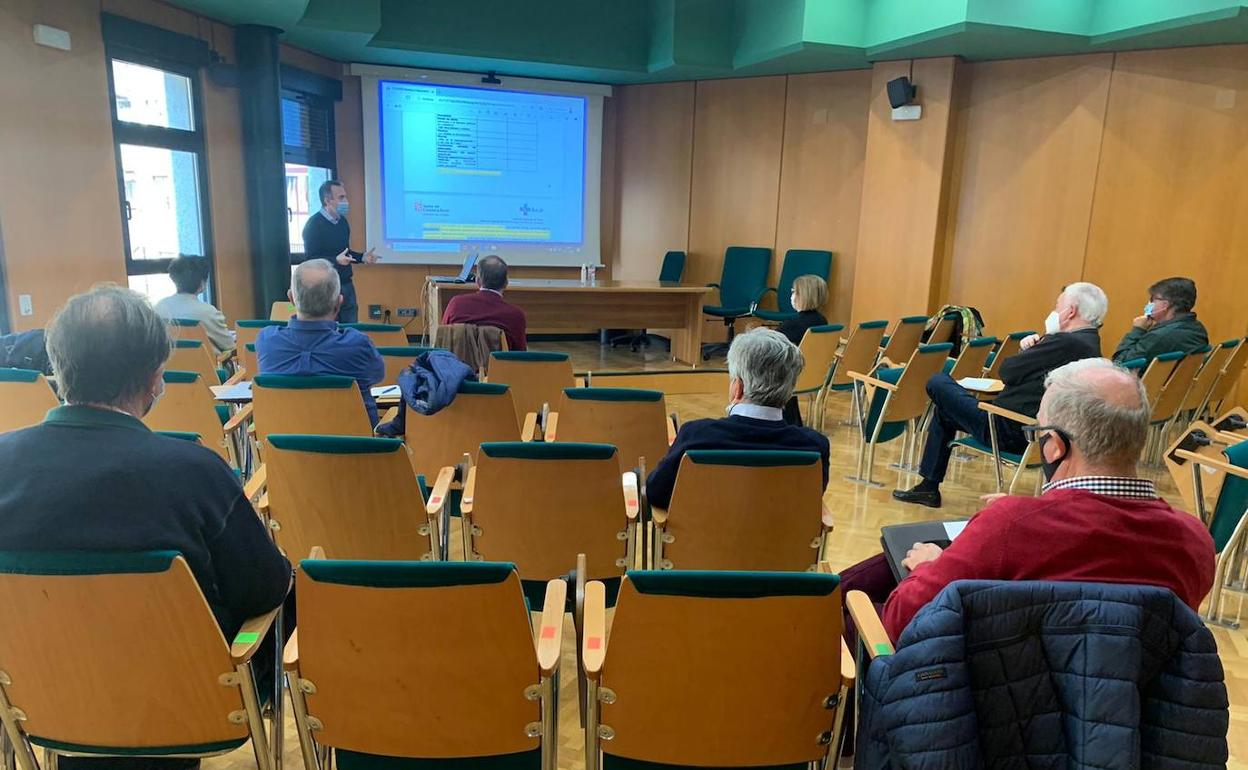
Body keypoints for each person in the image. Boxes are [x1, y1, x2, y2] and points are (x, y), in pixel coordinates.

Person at [0, 286, 292, 687]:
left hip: (40, 694)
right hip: (189, 694)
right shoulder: (197, 472)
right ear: (155, 378)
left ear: (58, 365)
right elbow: (265, 589)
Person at [842, 358, 1215, 641]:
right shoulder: (1194, 540)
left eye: (1037, 430)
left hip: (996, 701)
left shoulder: (1011, 526)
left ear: (1054, 446)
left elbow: (901, 621)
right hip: (1134, 710)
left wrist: (927, 567)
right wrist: (1021, 514)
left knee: (844, 605)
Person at [893, 282, 1107, 508]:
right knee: (945, 410)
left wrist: (1029, 349)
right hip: (1035, 433)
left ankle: (928, 487)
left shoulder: (1065, 342)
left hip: (1006, 429)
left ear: (1070, 311)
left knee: (937, 381)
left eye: (1057, 306)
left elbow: (1007, 371)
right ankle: (928, 487)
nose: (1054, 311)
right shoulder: (1091, 343)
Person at [646, 328, 830, 510]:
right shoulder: (814, 446)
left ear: (737, 388)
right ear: (789, 391)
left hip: (711, 529)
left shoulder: (696, 436)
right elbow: (808, 503)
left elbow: (656, 493)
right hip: (779, 530)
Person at [256, 259, 386, 426]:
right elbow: (377, 375)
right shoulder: (358, 344)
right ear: (339, 301)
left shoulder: (267, 340)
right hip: (355, 442)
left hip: (284, 441)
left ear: (291, 298)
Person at [296, 180, 380, 324]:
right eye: (341, 197)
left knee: (350, 328)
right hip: (326, 287)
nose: (346, 201)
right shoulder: (313, 225)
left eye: (345, 197)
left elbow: (345, 253)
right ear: (327, 200)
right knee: (328, 328)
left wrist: (362, 257)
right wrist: (335, 260)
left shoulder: (342, 223)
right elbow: (311, 260)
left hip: (346, 284)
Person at [1112, 276, 1209, 364]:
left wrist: (1138, 330)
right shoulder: (1197, 328)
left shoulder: (1159, 336)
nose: (1150, 303)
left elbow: (1119, 364)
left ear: (1165, 305)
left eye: (1153, 299)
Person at [440, 254, 528, 351]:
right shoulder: (515, 316)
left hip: (457, 360)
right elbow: (519, 354)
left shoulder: (456, 304)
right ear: (506, 283)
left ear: (477, 281)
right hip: (496, 361)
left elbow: (443, 338)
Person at [776, 274, 829, 426]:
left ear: (804, 295)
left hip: (794, 376)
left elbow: (770, 342)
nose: (792, 296)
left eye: (794, 292)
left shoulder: (794, 323)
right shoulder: (822, 321)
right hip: (815, 375)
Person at [153, 255, 235, 353]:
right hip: (206, 363)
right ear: (202, 284)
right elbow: (229, 346)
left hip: (169, 362)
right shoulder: (208, 312)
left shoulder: (159, 306)